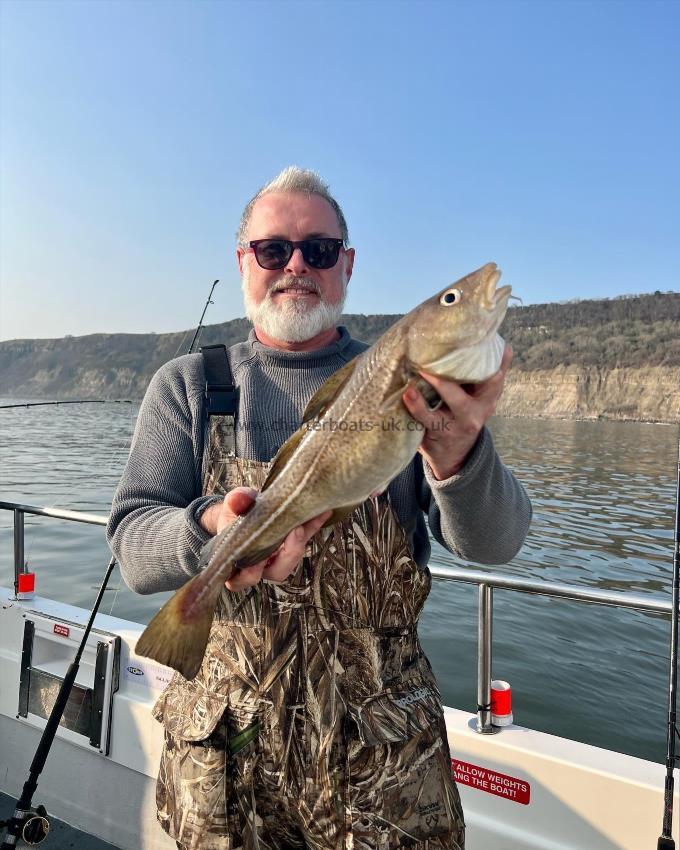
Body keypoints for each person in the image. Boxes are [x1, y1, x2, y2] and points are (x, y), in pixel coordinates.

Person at [107, 166, 532, 850]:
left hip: (385, 764)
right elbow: (132, 544)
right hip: (226, 760)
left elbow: (496, 544)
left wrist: (459, 452)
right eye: (274, 249)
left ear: (348, 265)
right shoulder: (187, 386)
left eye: (320, 250)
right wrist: (210, 530)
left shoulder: (423, 393)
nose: (296, 265)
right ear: (244, 263)